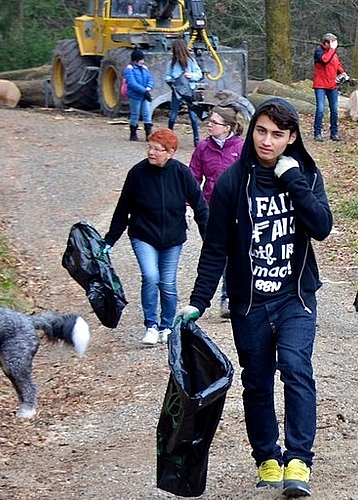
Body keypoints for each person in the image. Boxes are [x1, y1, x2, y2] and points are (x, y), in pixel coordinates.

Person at [176, 98, 332, 497]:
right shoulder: (232, 182)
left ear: (291, 137)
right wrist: (199, 300)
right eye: (261, 131)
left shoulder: (307, 175)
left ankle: (299, 460)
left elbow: (321, 227)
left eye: (278, 134)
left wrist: (293, 178)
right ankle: (267, 457)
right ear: (252, 132)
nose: (267, 140)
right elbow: (216, 248)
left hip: (294, 296)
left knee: (297, 370)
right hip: (251, 304)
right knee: (257, 382)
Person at [104, 128, 209, 345]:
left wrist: (209, 239)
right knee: (151, 277)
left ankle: (167, 326)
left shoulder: (181, 173)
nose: (151, 152)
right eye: (149, 147)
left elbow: (200, 207)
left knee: (168, 283)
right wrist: (109, 240)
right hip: (143, 235)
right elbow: (123, 209)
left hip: (172, 238)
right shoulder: (137, 174)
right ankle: (151, 325)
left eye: (157, 149)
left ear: (170, 152)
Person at [188, 105, 244, 319]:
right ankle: (211, 295)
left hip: (236, 209)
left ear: (227, 127)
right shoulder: (202, 147)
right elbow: (193, 177)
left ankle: (228, 297)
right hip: (210, 210)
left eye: (214, 122)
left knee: (234, 254)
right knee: (217, 253)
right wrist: (189, 206)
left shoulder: (240, 148)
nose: (209, 125)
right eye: (209, 121)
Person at [166, 39, 203, 146]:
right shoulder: (171, 63)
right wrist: (172, 80)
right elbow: (167, 76)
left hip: (189, 91)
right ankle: (168, 137)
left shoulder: (191, 61)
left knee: (193, 116)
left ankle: (196, 140)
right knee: (173, 116)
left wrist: (190, 76)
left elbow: (199, 74)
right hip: (177, 92)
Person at [311, 33, 348, 142]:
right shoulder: (319, 51)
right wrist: (332, 50)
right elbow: (325, 60)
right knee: (321, 109)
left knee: (334, 110)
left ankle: (334, 133)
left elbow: (337, 65)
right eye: (332, 43)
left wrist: (344, 74)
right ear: (326, 43)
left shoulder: (334, 54)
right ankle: (317, 133)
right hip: (320, 85)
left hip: (332, 85)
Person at [125, 49, 155, 141]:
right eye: (140, 60)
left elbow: (150, 79)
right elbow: (132, 83)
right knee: (135, 114)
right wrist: (144, 91)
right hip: (135, 96)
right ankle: (133, 133)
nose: (142, 61)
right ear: (135, 60)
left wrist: (149, 87)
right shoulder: (129, 69)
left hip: (144, 95)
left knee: (147, 114)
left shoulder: (145, 69)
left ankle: (148, 133)